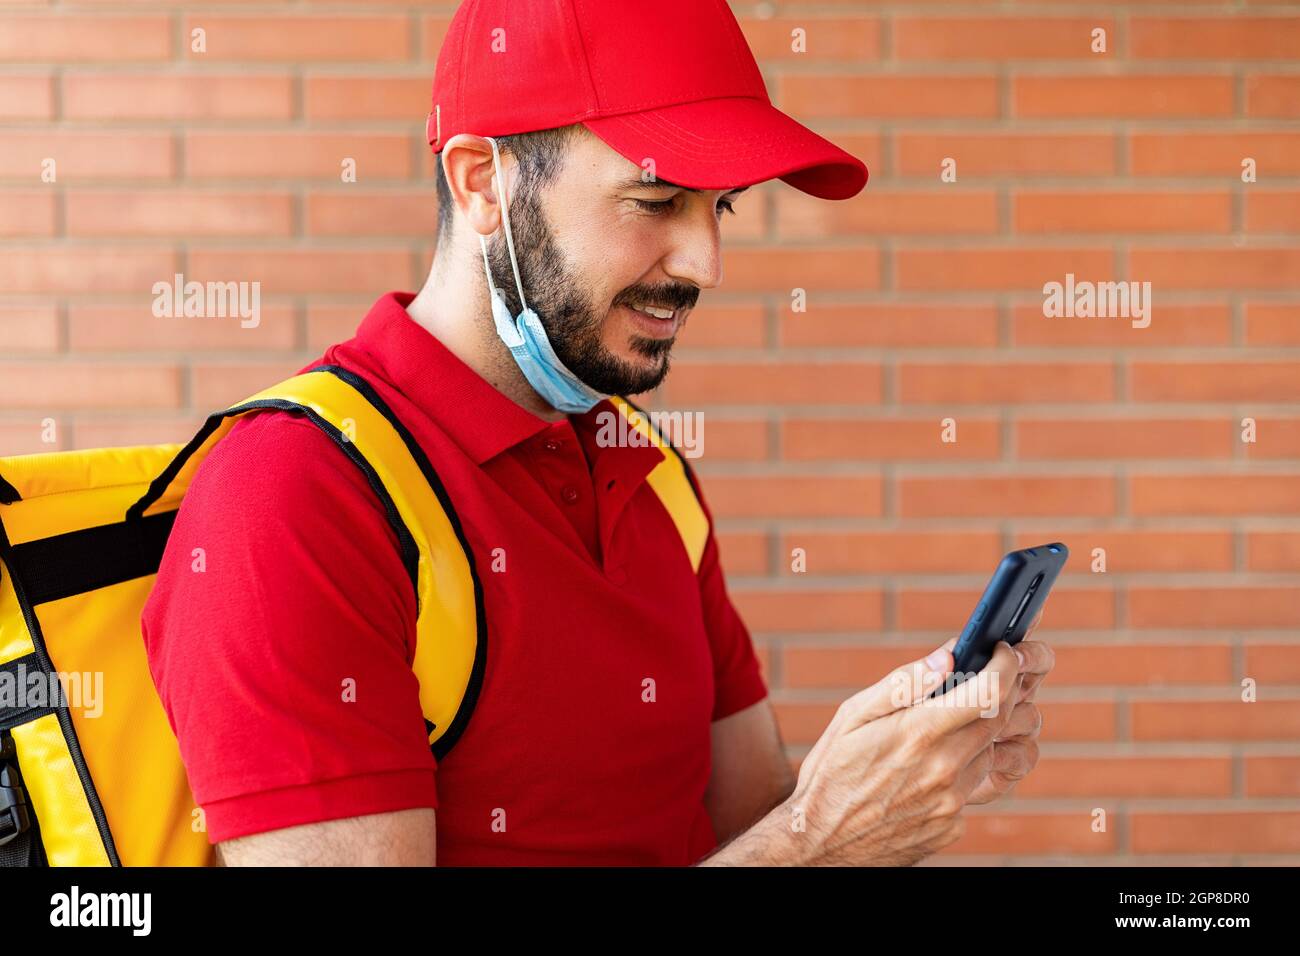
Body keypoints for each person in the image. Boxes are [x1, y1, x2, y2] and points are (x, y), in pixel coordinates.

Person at [142, 0, 1054, 867]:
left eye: (720, 206)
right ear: (482, 183)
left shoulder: (644, 464)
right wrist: (816, 840)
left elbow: (744, 829)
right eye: (657, 200)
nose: (706, 263)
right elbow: (789, 846)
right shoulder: (297, 497)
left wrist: (883, 794)